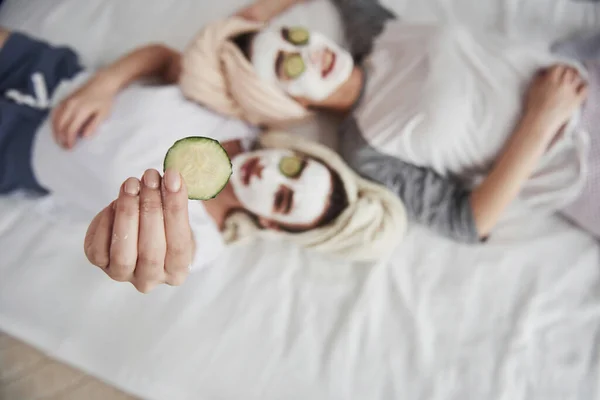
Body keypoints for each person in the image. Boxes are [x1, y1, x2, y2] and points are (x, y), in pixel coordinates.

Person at [0, 27, 407, 293]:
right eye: (292, 168)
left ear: (270, 222)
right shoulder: (236, 114)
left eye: (282, 198)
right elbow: (162, 57)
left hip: (16, 153)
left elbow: (163, 262)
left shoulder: (202, 241)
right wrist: (102, 86)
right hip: (55, 76)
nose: (268, 174)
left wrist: (140, 263)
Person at [177, 0, 598, 243]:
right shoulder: (365, 148)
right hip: (576, 162)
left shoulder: (376, 33)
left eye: (295, 37)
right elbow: (470, 222)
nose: (307, 51)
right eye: (287, 66)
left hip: (583, 71)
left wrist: (249, 20)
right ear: (284, 105)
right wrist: (541, 120)